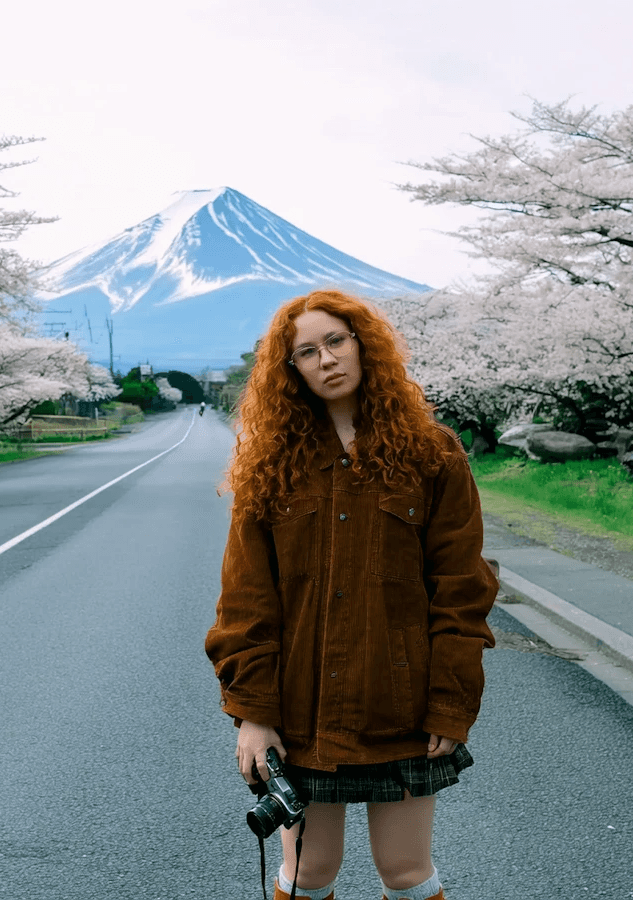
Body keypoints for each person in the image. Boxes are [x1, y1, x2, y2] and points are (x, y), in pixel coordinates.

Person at [205, 290, 498, 900]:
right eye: (306, 352)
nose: (326, 360)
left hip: (403, 704)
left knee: (407, 872)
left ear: (365, 345)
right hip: (302, 712)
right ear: (291, 371)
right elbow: (245, 600)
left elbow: (461, 589)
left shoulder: (431, 453)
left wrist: (450, 702)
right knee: (309, 872)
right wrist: (253, 715)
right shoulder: (269, 464)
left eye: (336, 341)